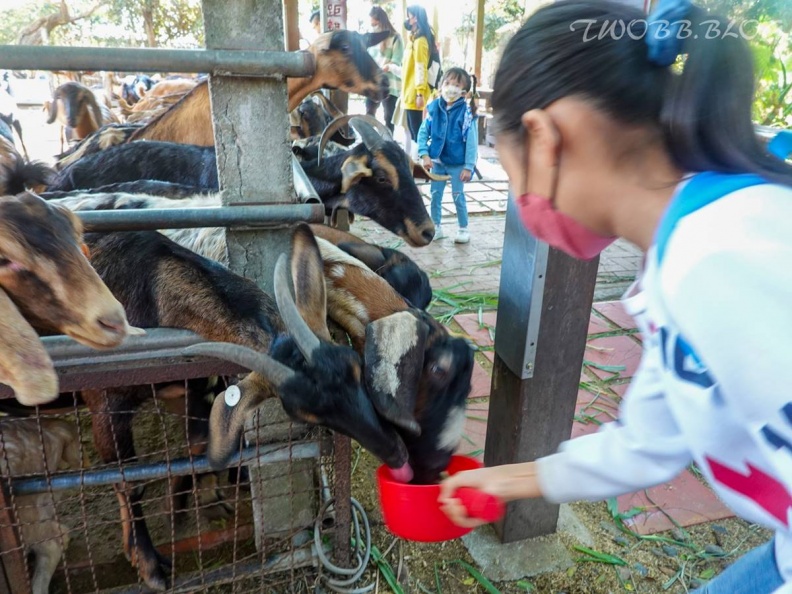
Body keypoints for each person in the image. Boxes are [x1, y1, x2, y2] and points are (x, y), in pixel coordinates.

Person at [437, 0, 792, 592]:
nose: (525, 209)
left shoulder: (720, 260)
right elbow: (647, 445)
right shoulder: (684, 254)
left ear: (544, 138)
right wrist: (502, 482)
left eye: (514, 177)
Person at [417, 68, 478, 243]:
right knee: (435, 194)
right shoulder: (434, 107)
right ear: (441, 85)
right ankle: (436, 226)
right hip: (438, 161)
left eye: (456, 85)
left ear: (464, 92)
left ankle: (463, 228)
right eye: (448, 83)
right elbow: (423, 132)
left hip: (458, 163)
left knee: (458, 195)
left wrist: (469, 167)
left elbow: (472, 143)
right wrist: (424, 153)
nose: (451, 88)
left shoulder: (467, 113)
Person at [400, 5, 437, 144]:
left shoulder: (420, 41)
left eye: (410, 15)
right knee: (413, 132)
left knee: (417, 134)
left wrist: (420, 93)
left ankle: (420, 164)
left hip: (415, 94)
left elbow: (420, 67)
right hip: (409, 93)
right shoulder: (413, 40)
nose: (408, 18)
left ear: (416, 18)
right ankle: (417, 162)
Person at [365, 6, 403, 133]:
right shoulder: (371, 38)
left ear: (381, 20)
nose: (373, 25)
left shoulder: (396, 38)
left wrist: (386, 67)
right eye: (371, 23)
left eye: (375, 22)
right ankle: (370, 142)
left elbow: (397, 60)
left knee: (388, 116)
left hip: (390, 84)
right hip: (373, 82)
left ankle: (388, 145)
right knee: (369, 113)